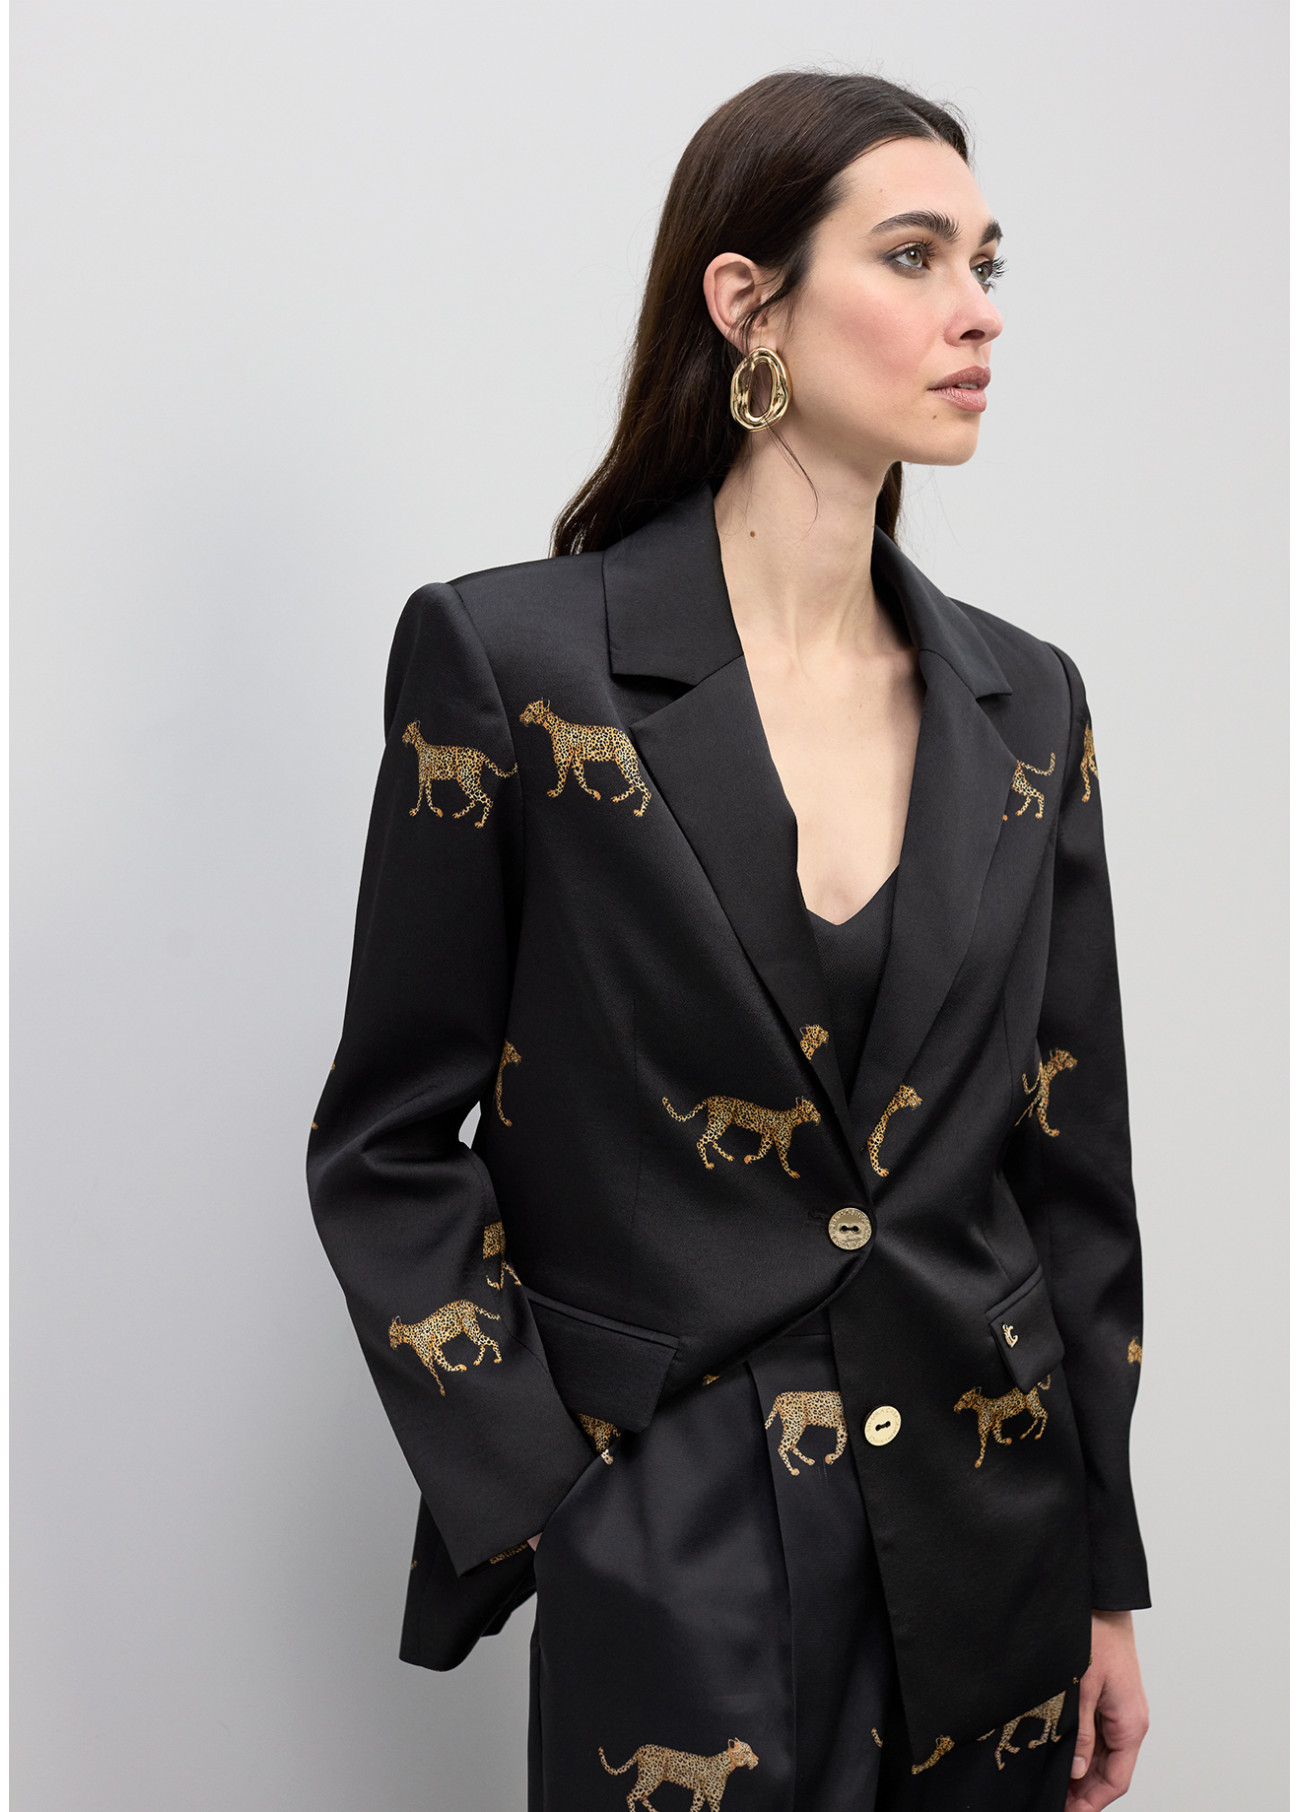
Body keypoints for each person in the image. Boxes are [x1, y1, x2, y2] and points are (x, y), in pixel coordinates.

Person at [307, 69, 1150, 1812]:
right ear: (747, 300)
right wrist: (557, 1496)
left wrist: (1103, 1573)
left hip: (990, 1565)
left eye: (988, 262)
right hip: (678, 1555)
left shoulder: (1029, 702)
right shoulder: (516, 666)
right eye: (912, 256)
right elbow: (385, 1141)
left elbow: (1071, 1172)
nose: (979, 311)